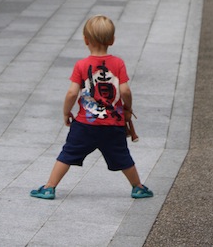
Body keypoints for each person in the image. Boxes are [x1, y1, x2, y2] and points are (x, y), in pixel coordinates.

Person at [30, 14, 153, 200]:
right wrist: (127, 107)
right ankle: (138, 187)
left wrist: (66, 112)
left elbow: (72, 93)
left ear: (85, 40)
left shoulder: (81, 65)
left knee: (67, 154)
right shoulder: (118, 63)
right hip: (113, 125)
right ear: (112, 40)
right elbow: (125, 90)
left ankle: (49, 187)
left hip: (85, 124)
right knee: (123, 157)